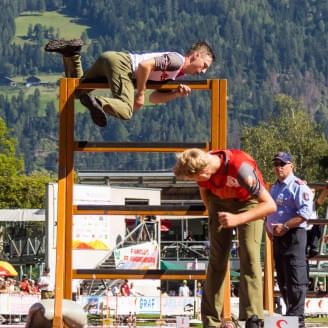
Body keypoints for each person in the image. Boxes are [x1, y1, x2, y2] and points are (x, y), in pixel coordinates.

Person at [173, 148, 277, 328]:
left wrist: (238, 219)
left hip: (249, 202)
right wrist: (213, 213)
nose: (196, 182)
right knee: (217, 260)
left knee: (250, 256)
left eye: (195, 179)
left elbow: (270, 205)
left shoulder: (240, 168)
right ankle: (211, 320)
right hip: (219, 202)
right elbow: (205, 193)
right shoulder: (202, 165)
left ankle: (253, 317)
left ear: (204, 172)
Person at [44, 39, 215, 127]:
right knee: (126, 111)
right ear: (196, 56)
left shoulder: (176, 75)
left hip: (110, 59)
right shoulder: (176, 61)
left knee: (77, 91)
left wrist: (175, 93)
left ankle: (71, 54)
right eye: (204, 66)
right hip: (123, 65)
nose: (203, 71)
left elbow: (154, 98)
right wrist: (140, 94)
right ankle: (99, 102)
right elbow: (144, 65)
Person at [266, 152, 313, 328]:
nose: (278, 168)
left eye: (282, 164)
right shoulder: (275, 188)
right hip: (278, 238)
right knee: (283, 280)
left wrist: (285, 226)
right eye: (276, 164)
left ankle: (297, 321)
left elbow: (305, 213)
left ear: (291, 166)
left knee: (295, 279)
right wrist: (269, 227)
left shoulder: (298, 186)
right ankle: (290, 319)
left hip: (293, 236)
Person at [306, 182, 328, 257]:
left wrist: (326, 188)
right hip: (301, 232)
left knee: (319, 222)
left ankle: (313, 247)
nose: (311, 194)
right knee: (303, 259)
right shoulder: (299, 202)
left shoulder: (314, 204)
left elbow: (321, 199)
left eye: (313, 192)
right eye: (309, 191)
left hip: (311, 233)